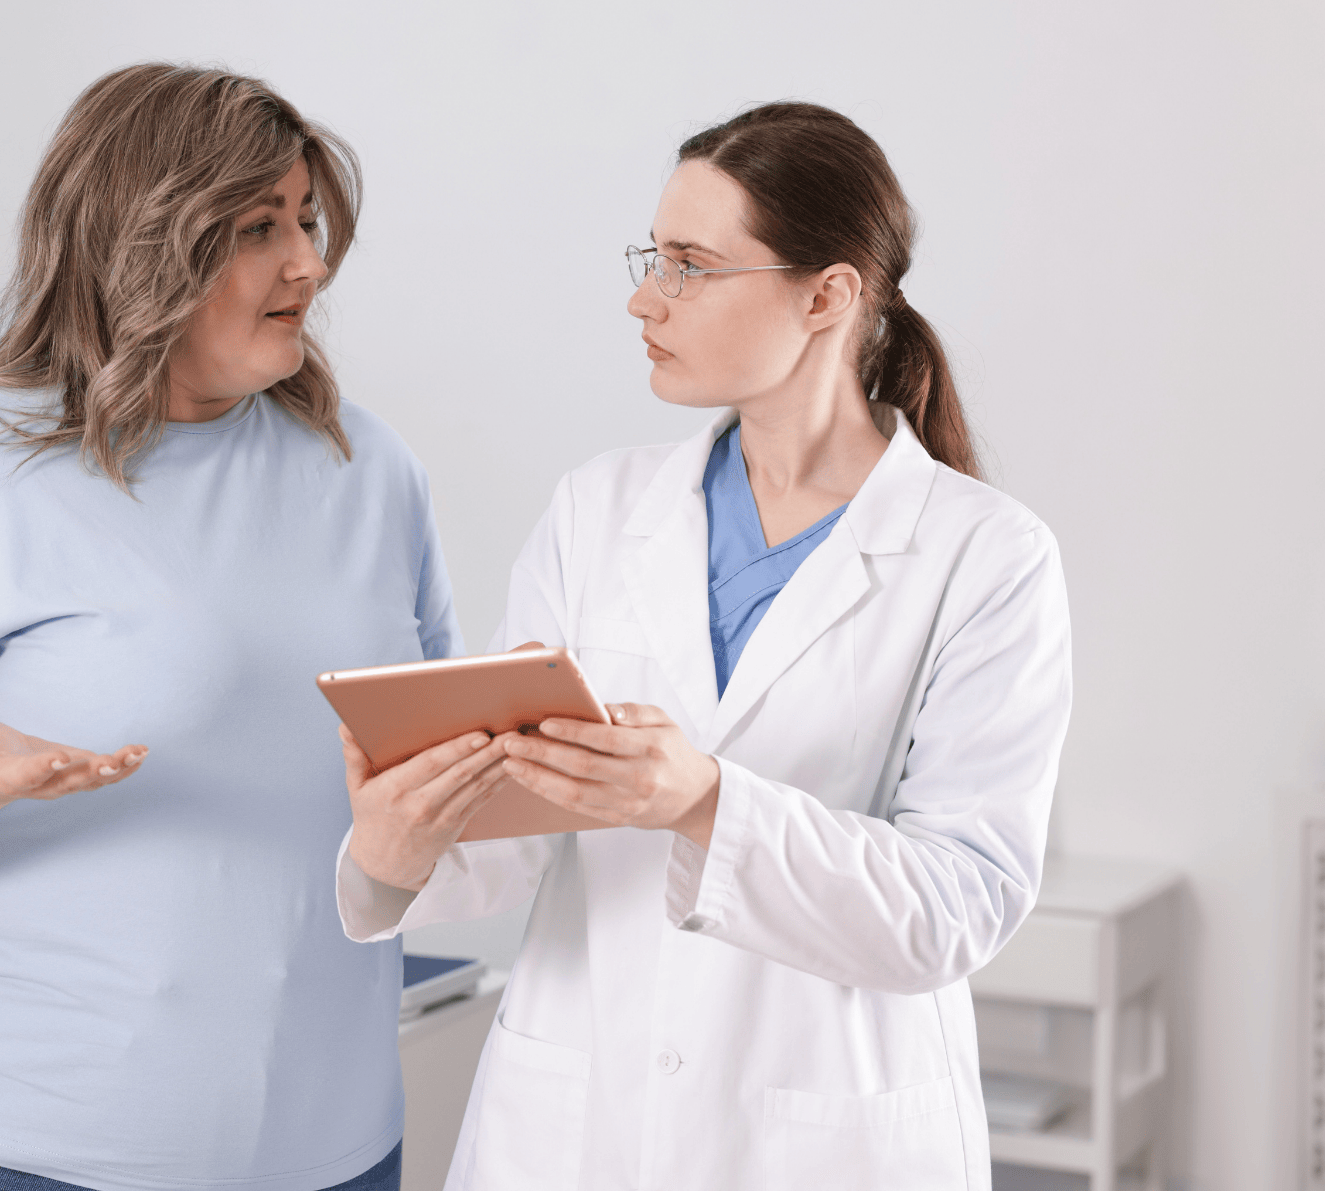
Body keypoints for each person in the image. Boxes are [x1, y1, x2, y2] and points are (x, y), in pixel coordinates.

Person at [337, 102, 1073, 1190]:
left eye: (690, 265)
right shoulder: (598, 510)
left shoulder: (987, 555)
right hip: (577, 1125)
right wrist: (397, 847)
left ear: (826, 296)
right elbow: (512, 838)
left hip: (825, 1138)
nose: (645, 298)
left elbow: (956, 905)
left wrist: (705, 802)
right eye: (654, 258)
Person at [0, 63, 486, 1191]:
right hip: (22, 1154)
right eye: (258, 228)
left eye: (306, 220)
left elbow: (428, 776)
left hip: (336, 1150)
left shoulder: (368, 466)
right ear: (144, 245)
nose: (307, 263)